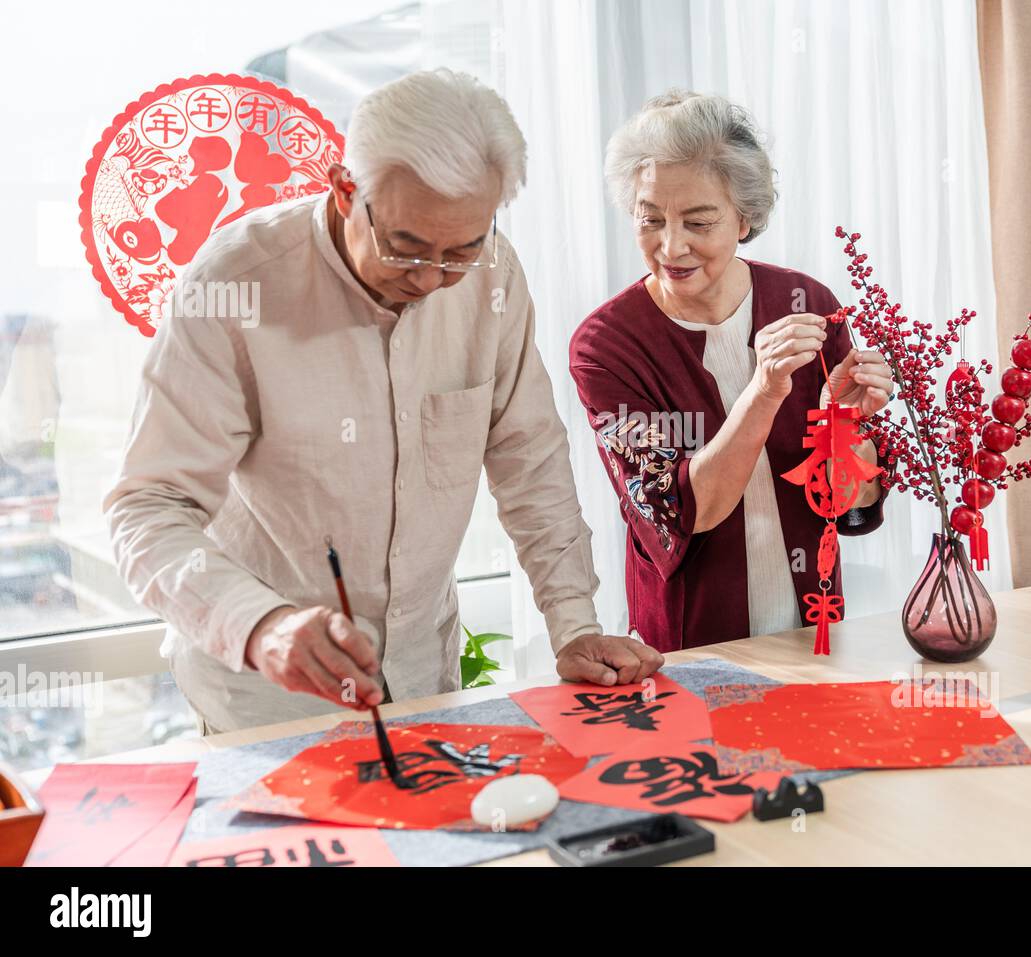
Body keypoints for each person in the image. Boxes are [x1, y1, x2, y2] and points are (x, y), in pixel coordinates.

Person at [104, 70, 660, 734]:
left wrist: (574, 624)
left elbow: (528, 459)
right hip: (270, 698)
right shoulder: (233, 286)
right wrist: (262, 625)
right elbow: (146, 508)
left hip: (428, 674)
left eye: (460, 250)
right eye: (406, 246)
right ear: (345, 190)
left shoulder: (493, 275)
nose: (431, 279)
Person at [569, 91, 892, 653]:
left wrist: (846, 424)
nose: (671, 245)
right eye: (650, 220)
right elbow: (682, 513)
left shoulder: (804, 302)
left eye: (698, 221)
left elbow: (849, 501)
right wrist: (765, 392)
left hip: (814, 626)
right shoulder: (608, 346)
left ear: (745, 218)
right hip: (693, 643)